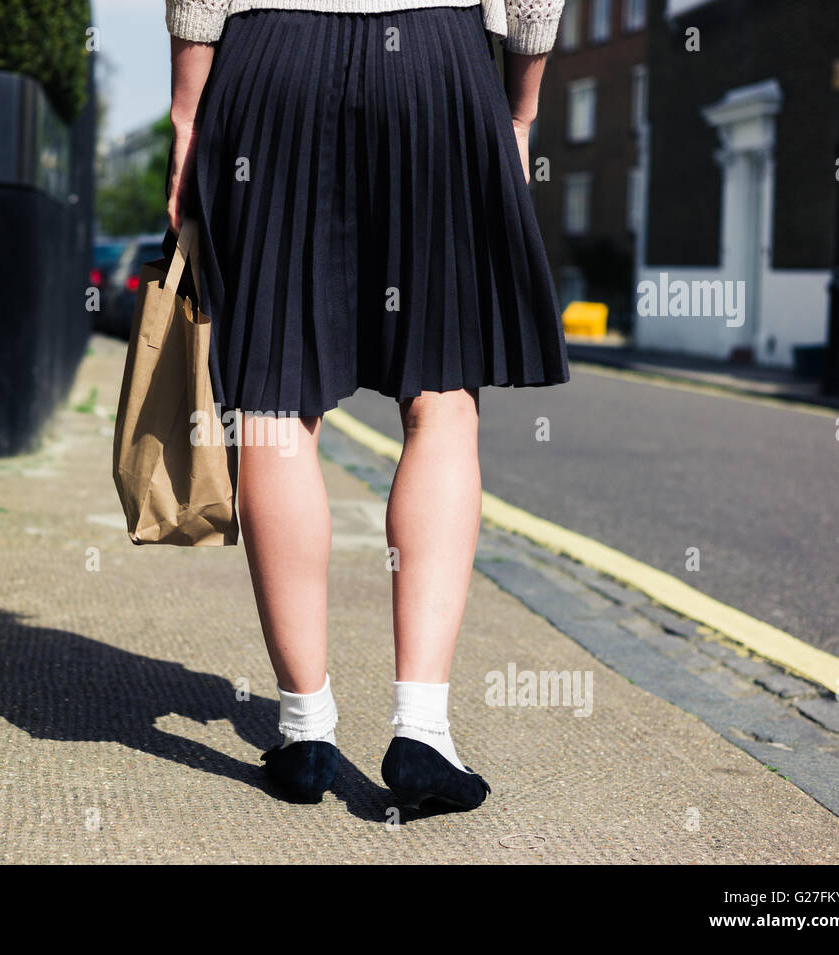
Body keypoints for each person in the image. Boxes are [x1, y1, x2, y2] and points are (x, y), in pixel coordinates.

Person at [162, 0, 569, 810]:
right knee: (443, 399)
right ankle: (422, 732)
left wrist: (186, 114)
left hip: (271, 59)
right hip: (435, 63)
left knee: (275, 405)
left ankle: (306, 731)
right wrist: (520, 109)